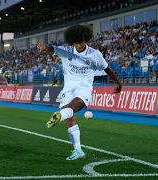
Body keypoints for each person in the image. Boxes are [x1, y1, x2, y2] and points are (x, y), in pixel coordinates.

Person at [37, 25, 122, 161]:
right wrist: (44, 45)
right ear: (73, 42)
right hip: (68, 89)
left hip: (84, 87)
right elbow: (51, 48)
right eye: (76, 43)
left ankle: (60, 114)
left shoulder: (95, 54)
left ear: (85, 40)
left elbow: (107, 69)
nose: (79, 45)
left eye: (81, 42)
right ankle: (78, 150)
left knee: (74, 105)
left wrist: (119, 82)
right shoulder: (67, 51)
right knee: (70, 117)